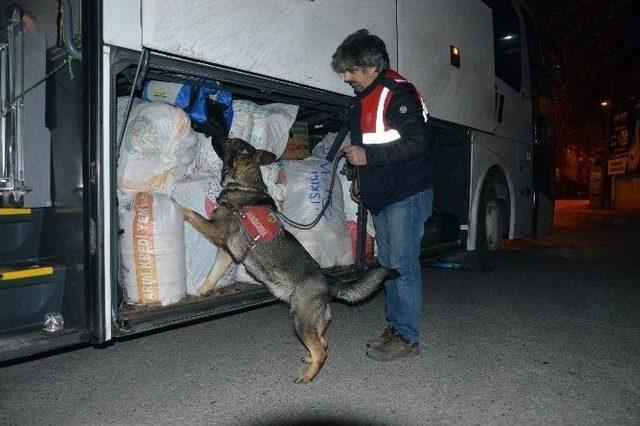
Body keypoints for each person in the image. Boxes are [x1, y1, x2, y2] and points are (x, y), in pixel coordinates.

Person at [332, 29, 434, 361]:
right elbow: (367, 146)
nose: (346, 77)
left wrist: (367, 159)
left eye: (351, 69)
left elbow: (417, 143)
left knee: (401, 266)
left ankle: (407, 337)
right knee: (388, 266)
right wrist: (361, 178)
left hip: (406, 193)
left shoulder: (397, 93)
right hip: (384, 194)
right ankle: (397, 329)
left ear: (372, 66)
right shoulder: (364, 97)